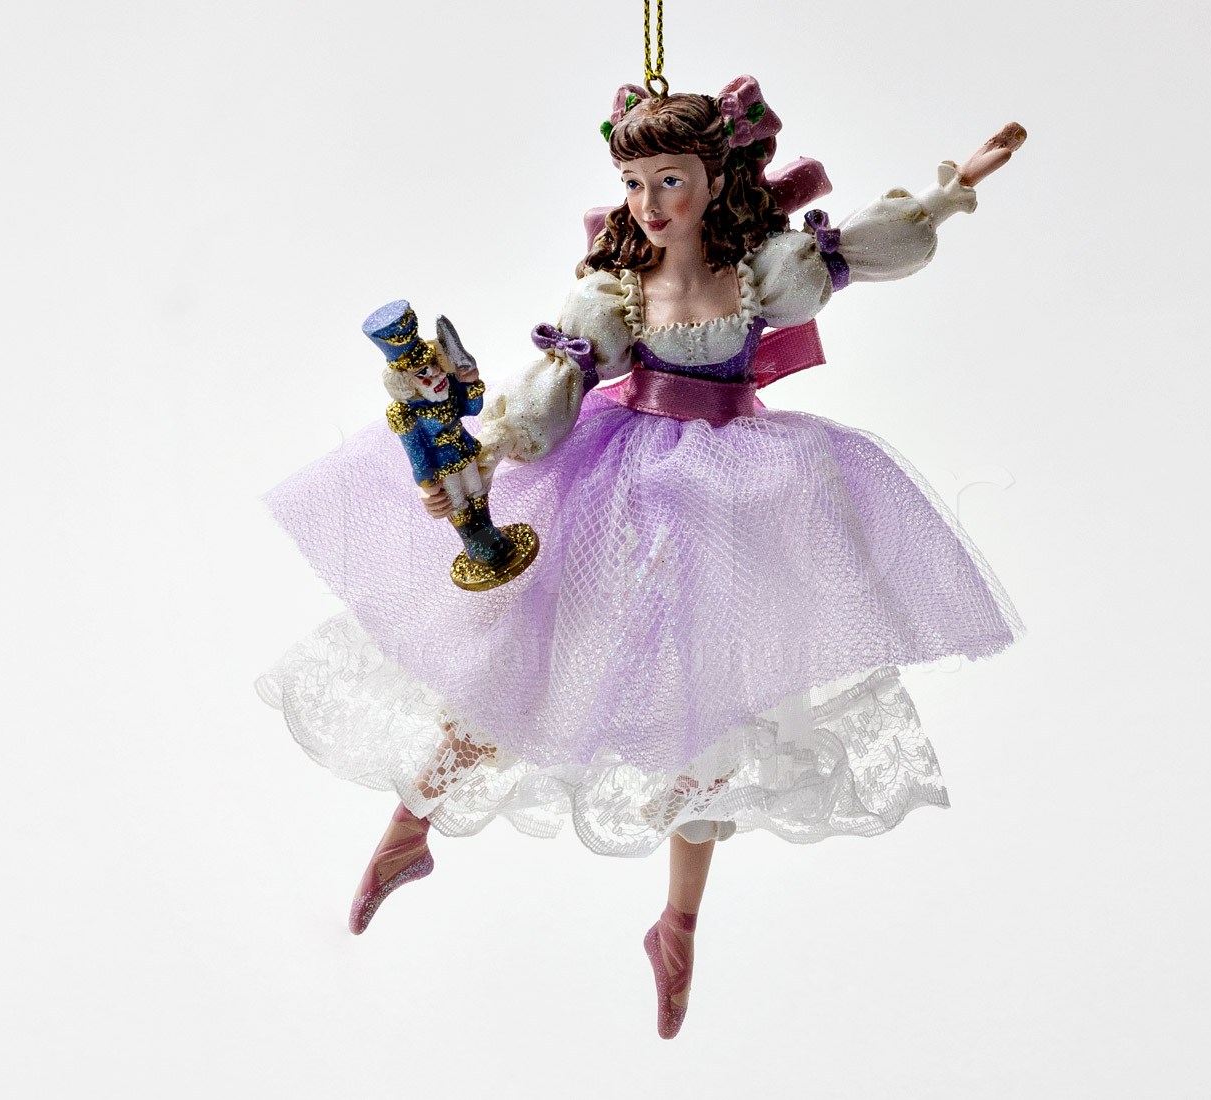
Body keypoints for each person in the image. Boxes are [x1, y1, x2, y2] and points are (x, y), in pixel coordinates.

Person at [257, 76, 1024, 1040]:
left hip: (730, 496)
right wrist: (483, 458)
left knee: (709, 710)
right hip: (616, 482)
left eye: (670, 180)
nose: (650, 203)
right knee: (520, 651)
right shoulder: (615, 290)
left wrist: (953, 191)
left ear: (715, 182)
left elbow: (865, 250)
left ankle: (679, 924)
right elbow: (554, 390)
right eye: (634, 183)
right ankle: (411, 825)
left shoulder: (765, 271)